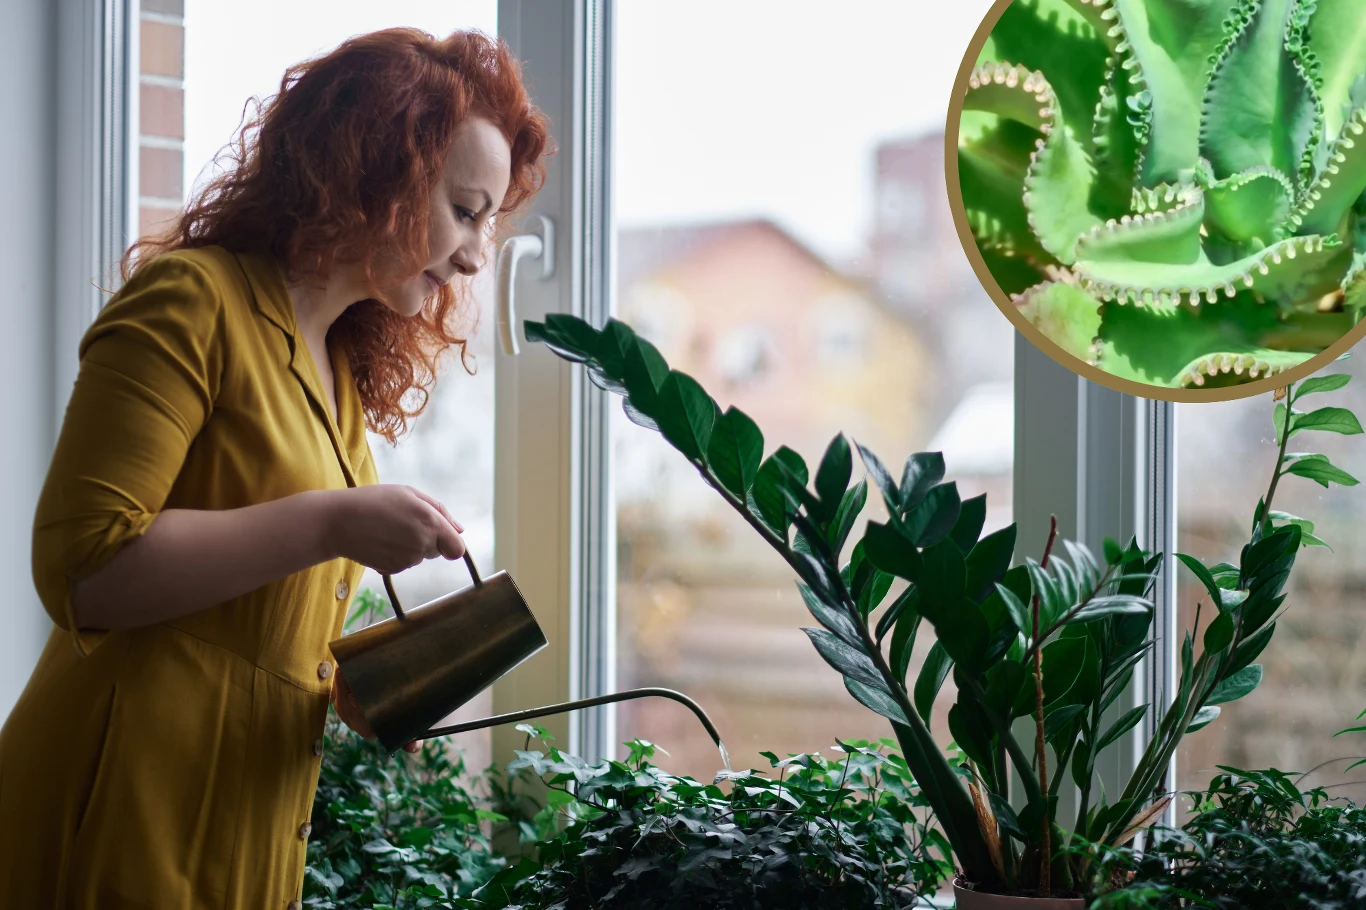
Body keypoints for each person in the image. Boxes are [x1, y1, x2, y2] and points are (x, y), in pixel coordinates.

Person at [0, 27, 551, 908]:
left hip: (243, 829)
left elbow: (251, 623)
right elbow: (83, 569)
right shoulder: (192, 302)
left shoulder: (335, 379)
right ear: (379, 168)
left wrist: (365, 689)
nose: (478, 253)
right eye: (465, 209)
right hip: (119, 808)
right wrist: (334, 521)